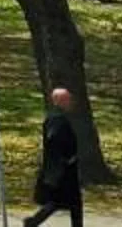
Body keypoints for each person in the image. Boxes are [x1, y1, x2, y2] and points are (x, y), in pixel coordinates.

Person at [23, 84, 83, 227]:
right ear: (59, 101)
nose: (70, 102)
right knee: (59, 201)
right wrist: (66, 158)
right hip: (62, 168)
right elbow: (54, 139)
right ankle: (33, 222)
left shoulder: (59, 117)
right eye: (67, 99)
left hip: (64, 167)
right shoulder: (57, 119)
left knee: (72, 202)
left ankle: (33, 221)